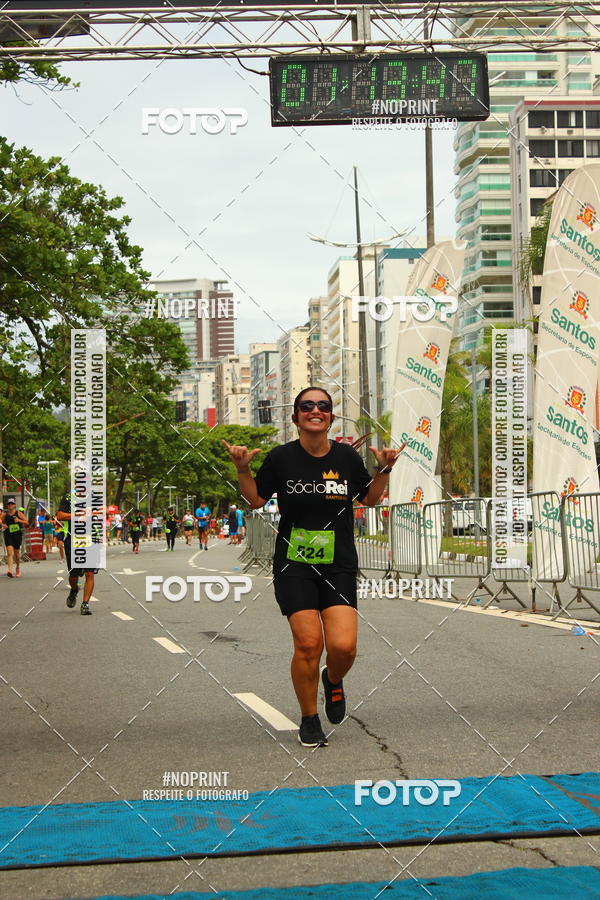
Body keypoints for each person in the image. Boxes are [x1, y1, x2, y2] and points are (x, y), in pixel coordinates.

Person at [223, 387, 404, 748]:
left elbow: (369, 499)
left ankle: (333, 680)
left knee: (344, 647)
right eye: (307, 406)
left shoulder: (346, 458)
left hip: (338, 564)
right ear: (296, 417)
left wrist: (383, 469)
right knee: (308, 644)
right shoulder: (281, 458)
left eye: (323, 406)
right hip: (295, 563)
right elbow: (256, 500)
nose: (315, 410)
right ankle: (309, 718)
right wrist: (242, 469)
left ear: (331, 417)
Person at [56, 492, 97, 615]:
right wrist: (76, 515)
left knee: (89, 573)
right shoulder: (68, 497)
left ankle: (85, 604)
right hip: (72, 540)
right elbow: (60, 516)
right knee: (74, 575)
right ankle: (74, 590)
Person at [1, 498, 28, 577]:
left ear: (15, 505)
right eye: (9, 504)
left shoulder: (18, 513)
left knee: (16, 554)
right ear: (7, 505)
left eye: (12, 504)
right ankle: (10, 571)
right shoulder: (5, 515)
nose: (10, 505)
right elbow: (2, 522)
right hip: (8, 534)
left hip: (17, 535)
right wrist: (3, 525)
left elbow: (26, 522)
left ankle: (17, 567)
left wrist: (19, 520)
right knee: (9, 553)